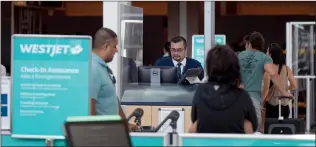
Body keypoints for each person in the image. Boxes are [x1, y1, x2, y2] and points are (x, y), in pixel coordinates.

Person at [190, 45, 258, 134]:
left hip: (206, 142)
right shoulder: (242, 95)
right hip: (235, 143)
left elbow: (194, 118)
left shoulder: (201, 90)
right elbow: (254, 125)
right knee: (247, 123)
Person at [238, 32, 293, 132]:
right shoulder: (265, 58)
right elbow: (273, 74)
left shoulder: (239, 55)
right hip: (254, 99)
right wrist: (284, 91)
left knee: (238, 128)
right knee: (256, 129)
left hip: (238, 97)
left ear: (249, 43)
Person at [90, 27, 137, 130]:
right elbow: (90, 106)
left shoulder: (102, 67)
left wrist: (125, 125)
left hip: (112, 131)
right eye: (114, 46)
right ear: (106, 46)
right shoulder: (93, 68)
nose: (116, 50)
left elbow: (112, 99)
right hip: (102, 134)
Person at [262, 43, 297, 118]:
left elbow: (266, 89)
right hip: (285, 105)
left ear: (270, 55)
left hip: (272, 105)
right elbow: (294, 85)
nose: (266, 54)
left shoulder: (268, 69)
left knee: (271, 128)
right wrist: (285, 89)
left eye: (267, 52)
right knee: (284, 128)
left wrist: (261, 102)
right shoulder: (287, 69)